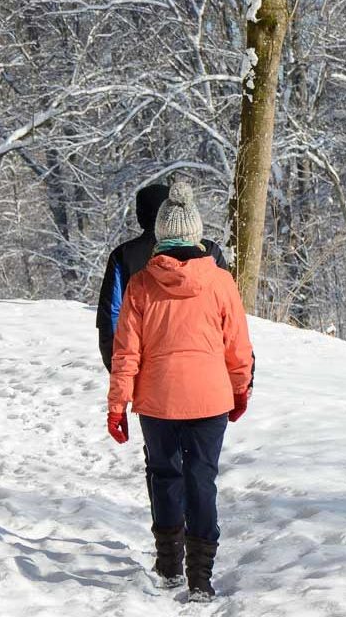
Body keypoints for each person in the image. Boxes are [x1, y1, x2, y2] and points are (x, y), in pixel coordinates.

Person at [106, 182, 254, 603]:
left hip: (158, 400)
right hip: (210, 398)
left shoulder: (140, 284)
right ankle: (201, 577)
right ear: (196, 234)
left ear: (160, 235)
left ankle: (169, 564)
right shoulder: (221, 282)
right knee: (201, 479)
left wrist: (117, 406)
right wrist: (240, 391)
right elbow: (238, 347)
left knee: (165, 476)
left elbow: (126, 353)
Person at [95, 184, 227, 373]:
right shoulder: (209, 251)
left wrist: (119, 368)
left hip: (147, 368)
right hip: (207, 365)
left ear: (140, 215)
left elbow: (111, 316)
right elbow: (228, 314)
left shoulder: (123, 255)